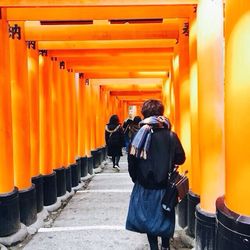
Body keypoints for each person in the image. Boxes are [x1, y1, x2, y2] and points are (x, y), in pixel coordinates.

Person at [126, 99, 186, 250]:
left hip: (145, 185)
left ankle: (154, 247)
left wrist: (136, 179)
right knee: (165, 216)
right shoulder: (171, 136)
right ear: (161, 113)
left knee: (148, 218)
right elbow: (181, 158)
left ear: (144, 114)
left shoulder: (138, 135)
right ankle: (165, 246)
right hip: (165, 185)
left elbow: (132, 161)